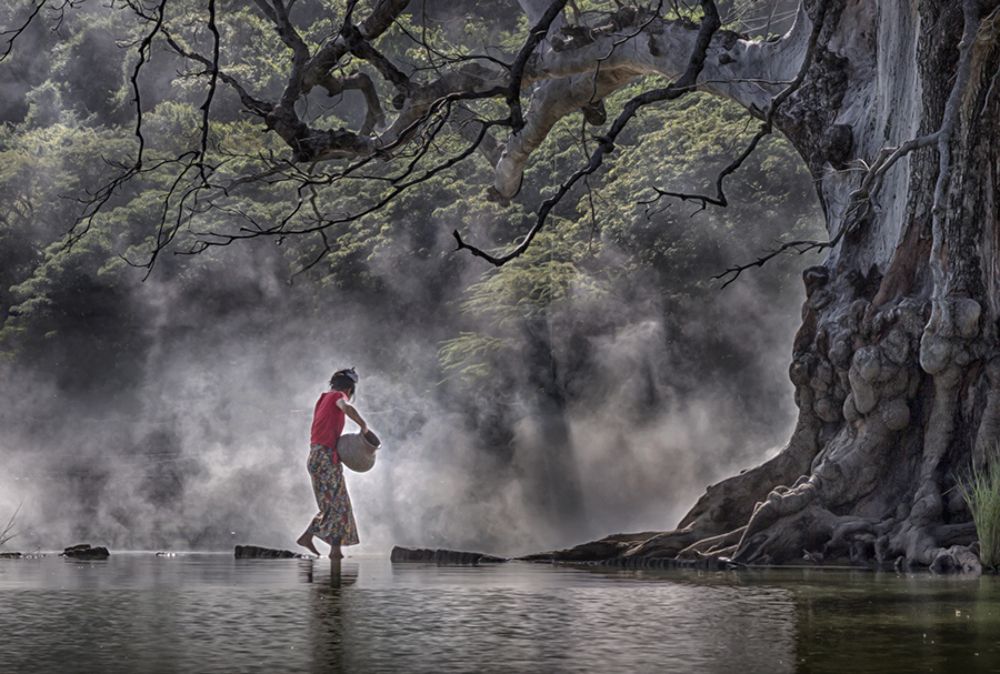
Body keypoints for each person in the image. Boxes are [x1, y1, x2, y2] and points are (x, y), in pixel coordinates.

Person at [297, 367, 370, 560]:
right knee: (338, 505)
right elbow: (346, 408)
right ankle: (331, 549)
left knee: (335, 504)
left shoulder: (323, 399)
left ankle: (320, 543)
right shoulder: (338, 396)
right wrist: (363, 425)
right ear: (349, 389)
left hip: (317, 456)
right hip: (325, 457)